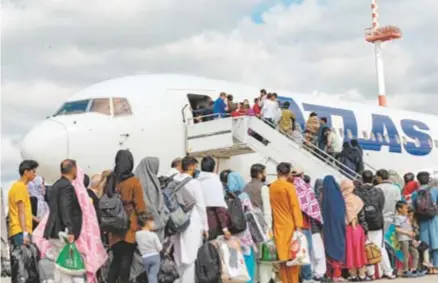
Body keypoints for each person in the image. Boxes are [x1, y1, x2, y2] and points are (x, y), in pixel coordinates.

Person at [34, 164, 107, 283]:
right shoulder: (73, 190)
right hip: (68, 235)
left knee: (60, 265)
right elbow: (66, 209)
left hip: (55, 232)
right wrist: (70, 229)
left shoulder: (55, 186)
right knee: (70, 268)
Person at [106, 150, 147, 283]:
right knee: (126, 261)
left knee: (115, 261)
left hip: (113, 226)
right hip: (129, 226)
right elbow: (140, 206)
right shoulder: (134, 181)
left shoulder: (111, 179)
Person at [173, 156, 208, 283]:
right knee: (190, 258)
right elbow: (200, 205)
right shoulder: (194, 183)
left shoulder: (173, 180)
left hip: (175, 221)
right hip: (191, 222)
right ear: (192, 166)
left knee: (177, 256)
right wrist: (205, 227)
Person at [269, 162, 303, 283]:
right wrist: (299, 225)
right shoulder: (289, 187)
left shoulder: (272, 187)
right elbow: (295, 206)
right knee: (293, 259)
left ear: (277, 172)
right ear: (288, 173)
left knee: (282, 259)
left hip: (278, 225)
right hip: (290, 226)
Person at [289, 168, 323, 283]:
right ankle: (307, 277)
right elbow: (311, 206)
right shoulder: (305, 188)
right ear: (302, 175)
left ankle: (297, 277)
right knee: (304, 251)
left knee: (294, 252)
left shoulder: (288, 187)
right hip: (303, 224)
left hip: (290, 224)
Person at [354, 170, 390, 279]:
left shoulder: (357, 192)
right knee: (380, 247)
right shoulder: (378, 191)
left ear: (362, 178)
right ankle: (388, 271)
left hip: (364, 223)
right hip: (377, 223)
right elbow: (381, 206)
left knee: (367, 248)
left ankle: (372, 273)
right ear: (373, 178)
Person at [243, 163, 273, 283]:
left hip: (249, 226)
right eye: (265, 173)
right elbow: (267, 210)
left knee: (254, 257)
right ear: (260, 174)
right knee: (265, 258)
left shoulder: (245, 187)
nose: (265, 175)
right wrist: (269, 227)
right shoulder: (263, 188)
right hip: (261, 226)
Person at [227, 172, 257, 283]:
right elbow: (250, 213)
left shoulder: (224, 196)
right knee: (247, 260)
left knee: (233, 262)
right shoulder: (243, 196)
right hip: (244, 233)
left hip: (230, 235)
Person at [44, 159, 82, 244]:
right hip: (63, 232)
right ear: (73, 169)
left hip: (54, 228)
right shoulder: (66, 186)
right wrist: (69, 229)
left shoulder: (55, 185)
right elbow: (65, 207)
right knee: (64, 256)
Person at [340, 180, 369, 281]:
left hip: (349, 229)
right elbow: (362, 216)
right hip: (358, 229)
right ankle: (362, 274)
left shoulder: (343, 199)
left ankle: (353, 274)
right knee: (359, 251)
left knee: (350, 251)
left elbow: (349, 215)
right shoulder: (357, 199)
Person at [197, 156, 231, 240]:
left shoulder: (197, 181)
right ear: (213, 167)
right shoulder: (215, 182)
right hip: (212, 224)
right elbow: (219, 207)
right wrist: (225, 229)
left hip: (197, 223)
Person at [135, 157, 167, 242]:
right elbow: (152, 204)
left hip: (142, 221)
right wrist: (158, 220)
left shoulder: (136, 179)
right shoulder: (150, 182)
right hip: (152, 221)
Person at [411, 172, 438, 274]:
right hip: (434, 219)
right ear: (428, 179)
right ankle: (436, 266)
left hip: (422, 220)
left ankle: (428, 266)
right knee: (436, 242)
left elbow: (413, 208)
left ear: (418, 181)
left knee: (425, 244)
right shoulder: (435, 190)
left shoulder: (415, 193)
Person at [8, 160, 39, 247]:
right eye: (33, 171)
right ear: (26, 172)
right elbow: (21, 211)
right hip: (20, 231)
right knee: (23, 259)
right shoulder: (20, 187)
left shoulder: (22, 187)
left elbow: (25, 211)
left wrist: (38, 220)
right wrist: (25, 233)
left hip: (21, 230)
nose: (35, 174)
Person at [321, 176, 346, 282]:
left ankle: (329, 274)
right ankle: (337, 274)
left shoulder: (323, 197)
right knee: (338, 247)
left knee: (329, 248)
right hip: (339, 228)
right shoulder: (339, 196)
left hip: (327, 228)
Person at [394, 201, 422, 277]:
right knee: (406, 255)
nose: (407, 209)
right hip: (403, 239)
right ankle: (405, 271)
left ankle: (414, 270)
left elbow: (409, 226)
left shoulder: (406, 217)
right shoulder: (397, 218)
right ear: (399, 209)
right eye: (405, 208)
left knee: (415, 253)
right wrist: (407, 233)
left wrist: (412, 234)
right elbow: (397, 229)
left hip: (410, 238)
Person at [136, 213, 163, 283]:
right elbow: (160, 248)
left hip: (145, 258)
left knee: (149, 276)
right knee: (153, 275)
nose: (154, 224)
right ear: (148, 222)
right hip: (155, 257)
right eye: (152, 222)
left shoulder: (137, 234)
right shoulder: (153, 235)